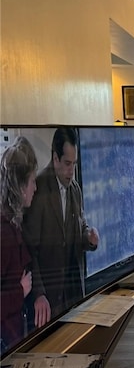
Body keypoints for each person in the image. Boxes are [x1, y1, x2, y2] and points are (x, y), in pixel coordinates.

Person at [23, 127, 99, 327]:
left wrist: (89, 238)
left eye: (74, 164)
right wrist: (39, 294)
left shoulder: (75, 190)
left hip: (73, 294)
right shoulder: (37, 189)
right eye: (67, 164)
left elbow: (79, 230)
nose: (71, 171)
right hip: (48, 299)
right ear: (55, 158)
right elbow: (30, 249)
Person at [1, 136, 38, 354]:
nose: (36, 187)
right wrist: (20, 291)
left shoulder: (13, 224)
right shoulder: (3, 232)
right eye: (32, 180)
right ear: (21, 186)